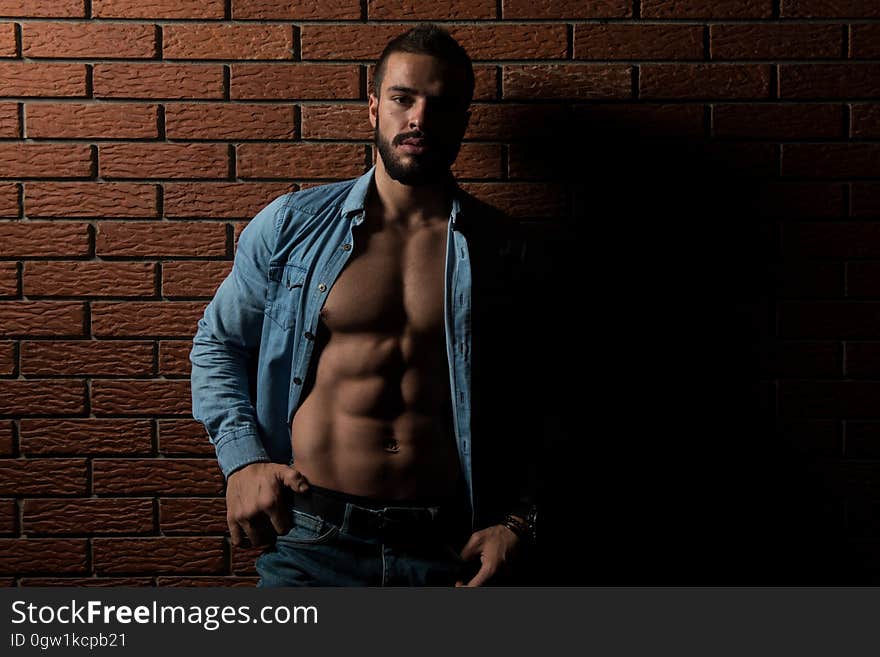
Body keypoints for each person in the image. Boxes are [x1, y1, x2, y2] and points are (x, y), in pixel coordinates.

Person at [190, 24, 538, 587]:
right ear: (373, 106)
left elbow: (550, 399)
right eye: (403, 99)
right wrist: (244, 460)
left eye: (440, 105)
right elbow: (219, 343)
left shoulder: (503, 250)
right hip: (313, 536)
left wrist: (522, 521)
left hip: (450, 545)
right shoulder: (293, 227)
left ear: (464, 120)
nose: (418, 119)